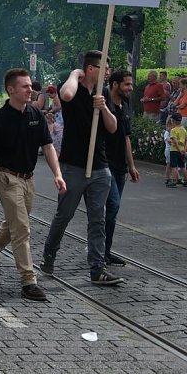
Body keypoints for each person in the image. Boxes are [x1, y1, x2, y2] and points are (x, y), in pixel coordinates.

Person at [0, 68, 65, 302]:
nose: (31, 90)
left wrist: (58, 174)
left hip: (28, 179)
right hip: (6, 177)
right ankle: (28, 281)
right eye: (25, 86)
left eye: (31, 87)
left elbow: (48, 147)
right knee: (22, 228)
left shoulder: (35, 114)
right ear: (11, 90)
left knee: (13, 225)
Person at [40, 50, 123, 286]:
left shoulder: (103, 93)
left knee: (98, 219)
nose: (108, 72)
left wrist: (104, 107)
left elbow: (113, 127)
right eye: (104, 67)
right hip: (73, 165)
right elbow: (65, 95)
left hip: (99, 166)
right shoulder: (72, 87)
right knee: (64, 215)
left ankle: (97, 268)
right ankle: (49, 253)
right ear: (90, 69)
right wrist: (76, 73)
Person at [104, 69, 140, 267]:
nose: (130, 88)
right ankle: (100, 251)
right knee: (113, 205)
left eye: (131, 84)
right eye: (127, 84)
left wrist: (131, 165)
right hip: (104, 164)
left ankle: (105, 251)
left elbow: (126, 137)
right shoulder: (105, 103)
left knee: (112, 211)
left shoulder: (125, 104)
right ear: (115, 84)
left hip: (120, 166)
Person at [167, 112, 187, 187]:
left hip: (174, 150)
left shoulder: (173, 130)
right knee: (182, 166)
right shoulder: (183, 129)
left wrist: (178, 149)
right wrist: (184, 149)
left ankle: (174, 181)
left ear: (173, 121)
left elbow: (175, 141)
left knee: (174, 166)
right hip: (182, 150)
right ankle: (186, 180)